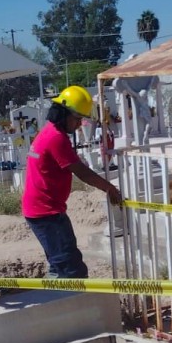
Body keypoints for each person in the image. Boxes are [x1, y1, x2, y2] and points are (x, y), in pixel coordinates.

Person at [22, 85, 123, 279]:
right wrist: (109, 188)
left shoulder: (49, 132)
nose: (79, 125)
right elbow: (82, 173)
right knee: (70, 269)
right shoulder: (56, 138)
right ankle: (69, 307)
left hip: (42, 209)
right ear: (63, 113)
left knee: (59, 264)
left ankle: (57, 302)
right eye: (77, 119)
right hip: (46, 212)